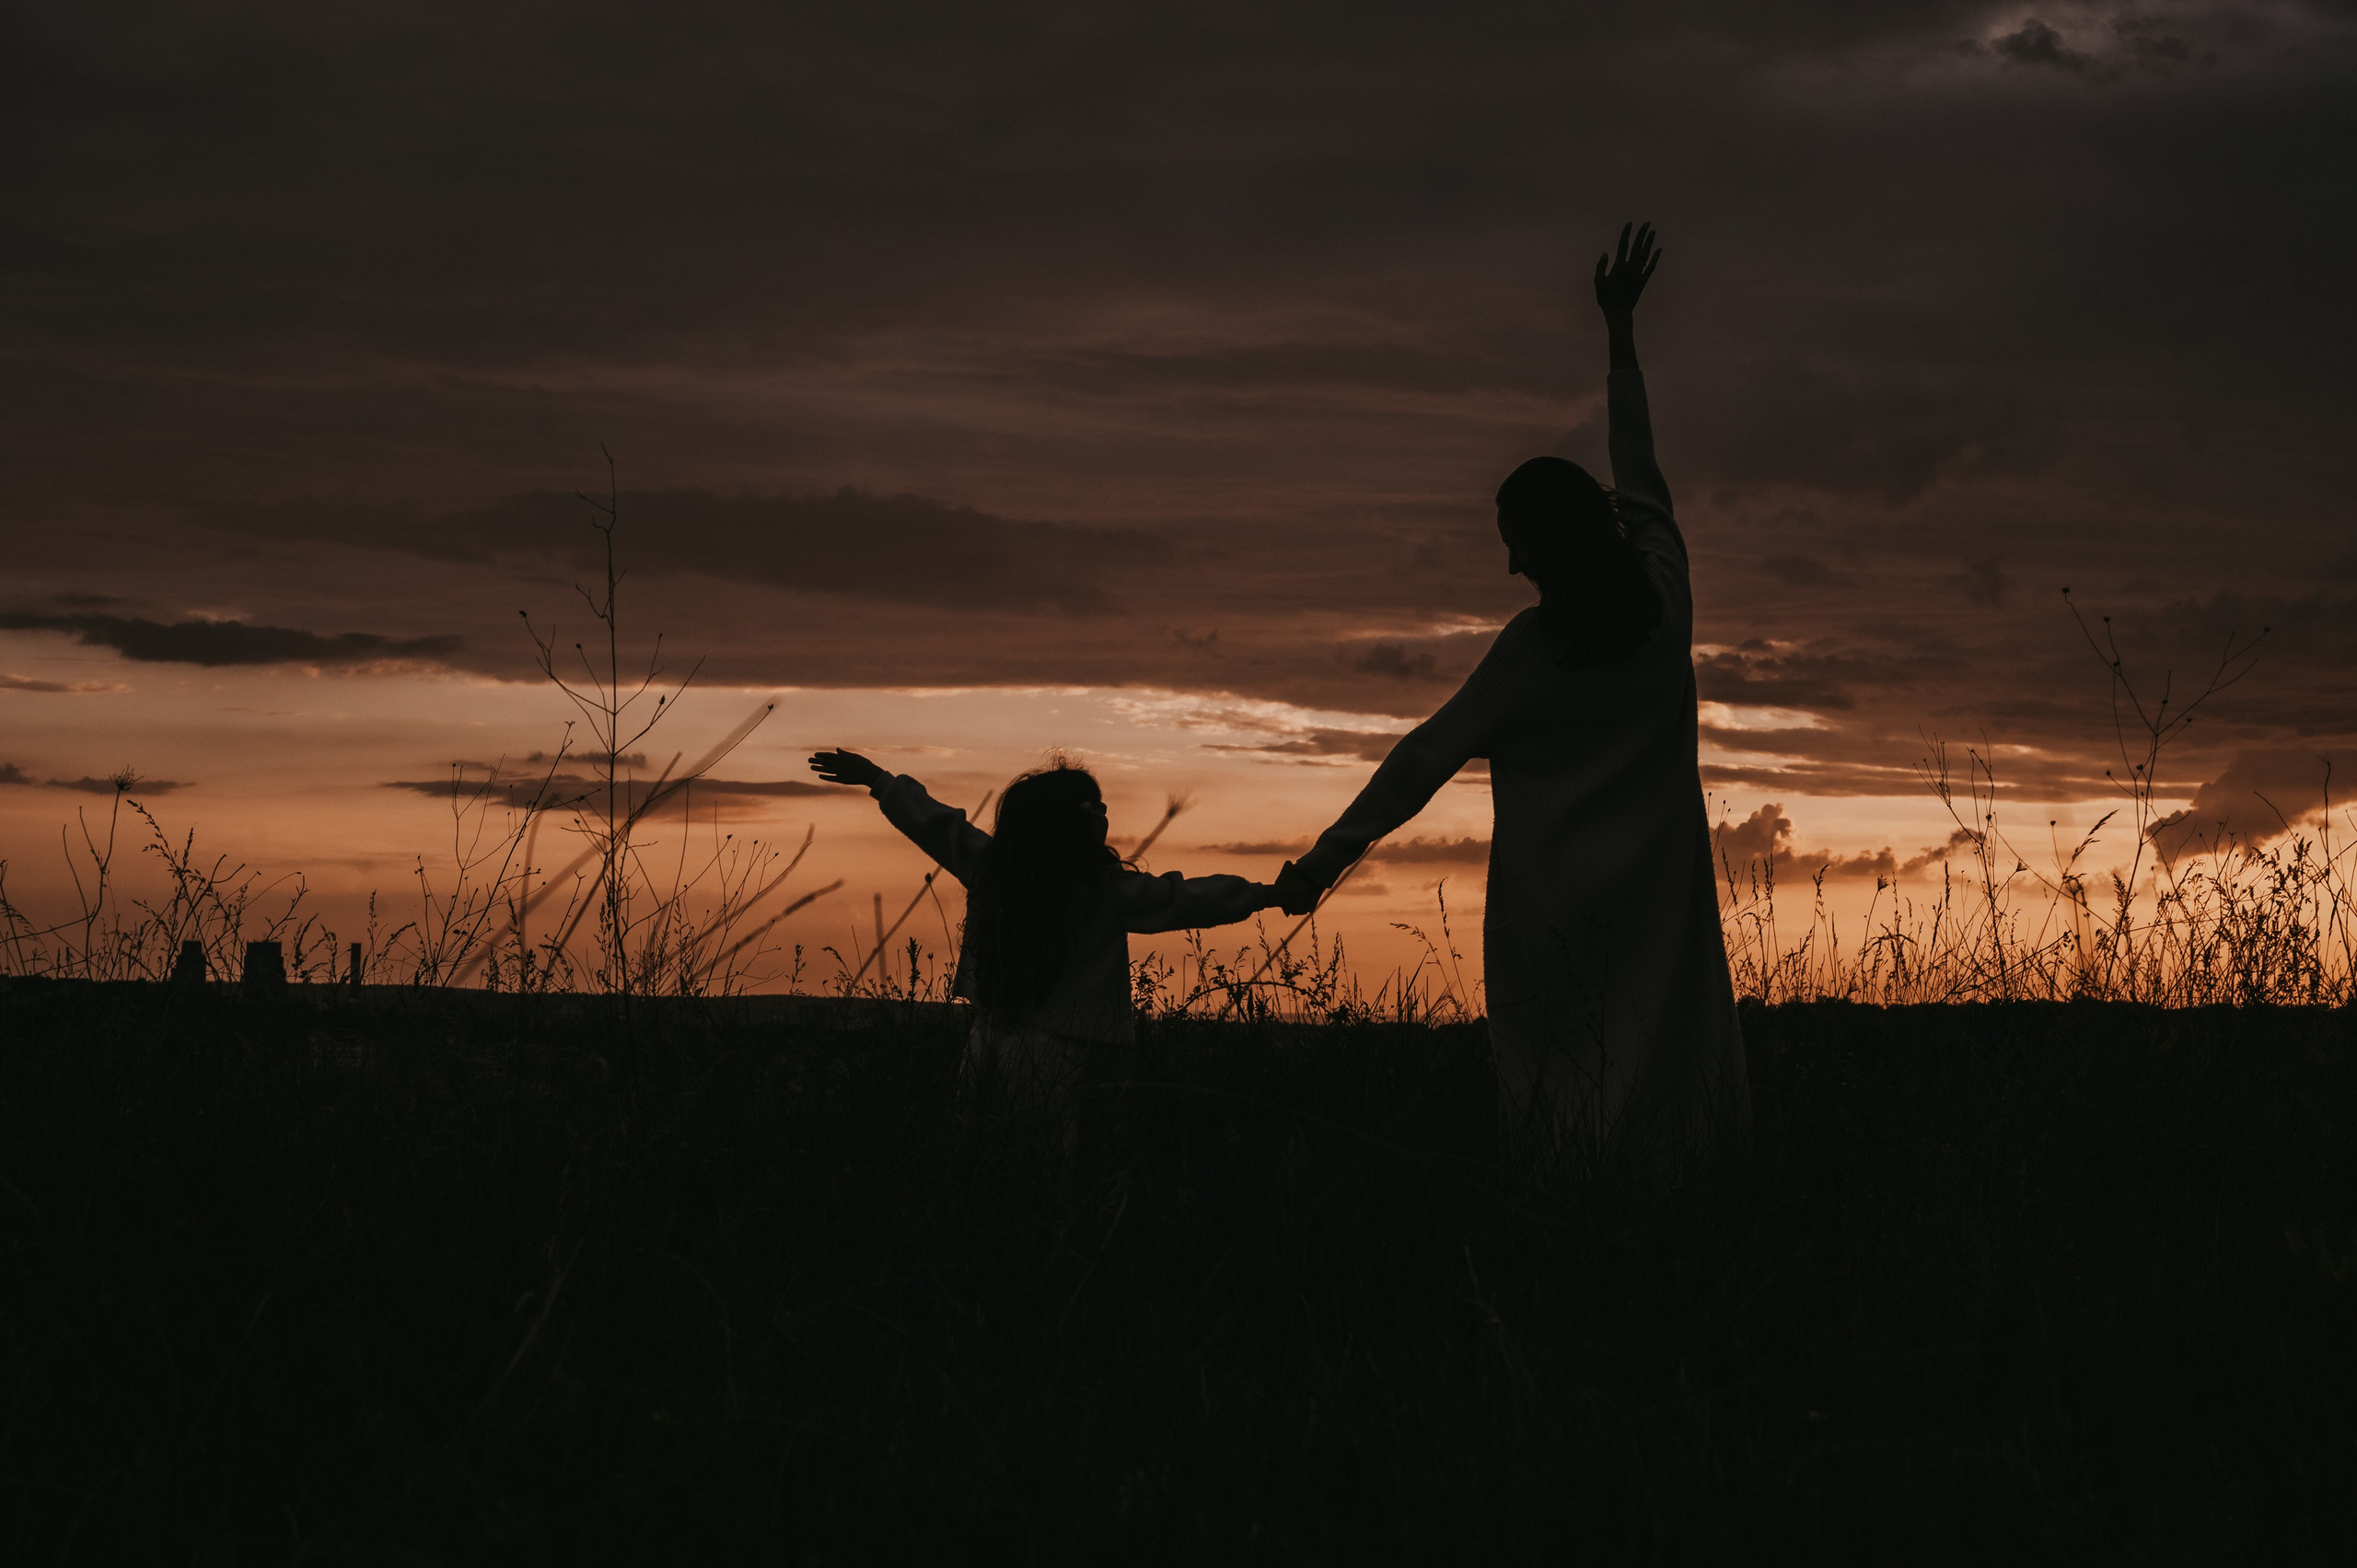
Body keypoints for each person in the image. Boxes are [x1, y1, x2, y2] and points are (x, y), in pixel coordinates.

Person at [1274, 223, 1747, 1180]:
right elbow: (1638, 465)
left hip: (1552, 914)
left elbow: (1420, 758)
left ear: (1546, 540)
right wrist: (1618, 332)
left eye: (1513, 540)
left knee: (1559, 1095)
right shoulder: (1666, 595)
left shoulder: (1533, 652)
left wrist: (1323, 863)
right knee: (1664, 1075)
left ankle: (1568, 1230)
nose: (1508, 562)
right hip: (1661, 905)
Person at [808, 749, 1284, 1122]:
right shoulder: (1103, 891)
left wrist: (879, 780)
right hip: (1056, 1052)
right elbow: (1187, 898)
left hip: (985, 1040)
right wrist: (1268, 893)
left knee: (977, 1159)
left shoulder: (996, 867)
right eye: (1095, 807)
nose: (1104, 817)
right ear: (1076, 821)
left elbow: (937, 825)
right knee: (1042, 1168)